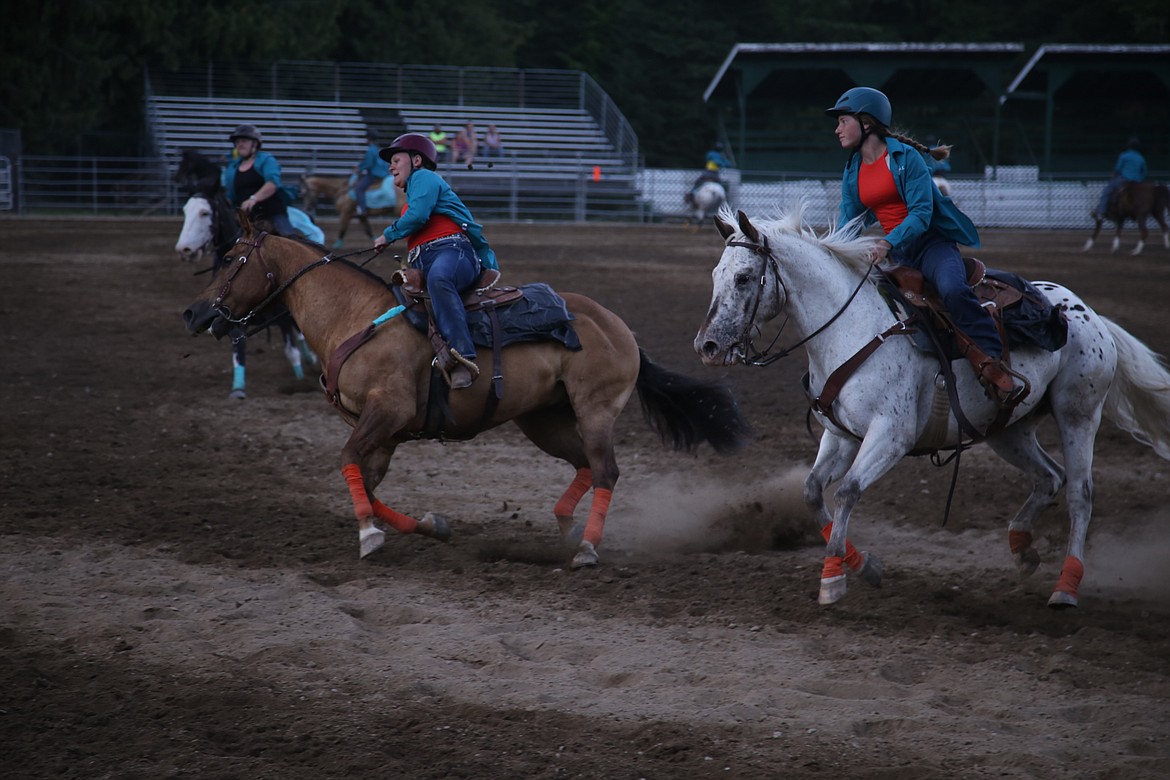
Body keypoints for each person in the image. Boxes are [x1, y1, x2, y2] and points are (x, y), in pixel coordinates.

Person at [824, 87, 1023, 407]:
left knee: (952, 290)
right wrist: (830, 251)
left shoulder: (906, 158)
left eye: (842, 120)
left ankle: (994, 361)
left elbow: (921, 213)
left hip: (931, 246)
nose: (837, 128)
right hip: (898, 254)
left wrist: (887, 242)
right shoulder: (853, 169)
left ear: (867, 123)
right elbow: (849, 223)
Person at [372, 133, 498, 389]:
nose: (390, 166)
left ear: (416, 160)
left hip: (453, 252)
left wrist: (388, 234)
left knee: (440, 280)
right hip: (425, 259)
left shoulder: (425, 177)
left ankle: (463, 356)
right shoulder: (416, 189)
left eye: (396, 159)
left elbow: (418, 217)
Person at [221, 123, 296, 236]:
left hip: (272, 214)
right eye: (237, 142)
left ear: (255, 143)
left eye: (244, 141)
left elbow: (272, 184)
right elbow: (230, 194)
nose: (240, 145)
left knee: (288, 241)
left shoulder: (267, 160)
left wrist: (253, 199)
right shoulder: (232, 167)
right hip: (245, 217)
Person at [1094, 136, 1147, 219]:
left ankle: (1101, 212)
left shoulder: (1124, 156)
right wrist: (1139, 179)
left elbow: (1118, 169)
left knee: (1107, 191)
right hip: (1137, 182)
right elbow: (1144, 173)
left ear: (1128, 146)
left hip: (1124, 180)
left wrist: (1113, 176)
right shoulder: (1141, 158)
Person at [353, 128, 389, 217]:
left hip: (374, 175)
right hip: (382, 173)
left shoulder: (370, 150)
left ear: (368, 139)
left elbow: (368, 164)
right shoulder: (377, 149)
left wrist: (359, 168)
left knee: (359, 188)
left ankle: (362, 209)